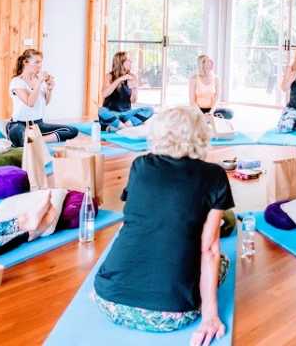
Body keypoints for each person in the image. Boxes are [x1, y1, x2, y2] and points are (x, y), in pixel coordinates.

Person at [94, 106, 234, 344]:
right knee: (223, 261)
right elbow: (209, 250)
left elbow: (133, 220)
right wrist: (210, 316)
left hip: (108, 301)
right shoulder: (214, 176)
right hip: (172, 315)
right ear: (201, 135)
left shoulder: (140, 166)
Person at [6, 49, 78, 149]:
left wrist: (49, 89)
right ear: (25, 62)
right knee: (18, 134)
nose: (39, 65)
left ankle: (37, 140)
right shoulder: (17, 81)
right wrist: (39, 82)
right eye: (37, 62)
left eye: (40, 62)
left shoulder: (38, 80)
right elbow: (30, 102)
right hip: (19, 124)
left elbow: (46, 102)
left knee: (72, 130)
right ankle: (31, 140)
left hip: (38, 124)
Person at [99, 52, 153, 131]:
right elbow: (104, 94)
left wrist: (134, 89)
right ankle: (126, 127)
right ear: (120, 62)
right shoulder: (109, 76)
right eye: (128, 60)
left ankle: (121, 126)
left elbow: (133, 101)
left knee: (149, 110)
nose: (131, 62)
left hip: (126, 114)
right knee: (101, 111)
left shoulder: (132, 77)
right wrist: (120, 79)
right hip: (112, 114)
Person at [188, 55, 233, 119]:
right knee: (187, 117)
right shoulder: (194, 79)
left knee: (230, 113)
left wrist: (211, 112)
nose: (211, 62)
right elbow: (192, 101)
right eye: (208, 61)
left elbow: (217, 98)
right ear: (202, 64)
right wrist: (201, 115)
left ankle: (209, 118)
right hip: (197, 110)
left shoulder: (216, 79)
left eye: (211, 60)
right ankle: (204, 119)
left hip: (211, 110)